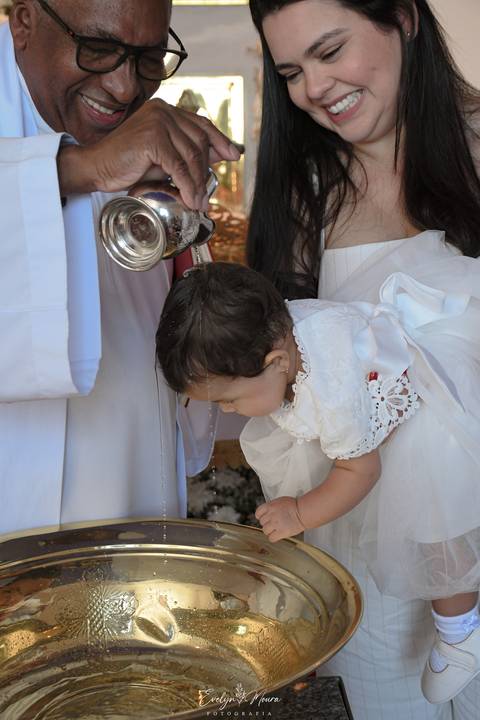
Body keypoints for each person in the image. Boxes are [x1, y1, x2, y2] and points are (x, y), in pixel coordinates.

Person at [245, 0, 480, 718]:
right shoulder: (306, 187)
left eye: (330, 50)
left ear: (403, 18)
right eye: (291, 71)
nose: (314, 87)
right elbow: (282, 370)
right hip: (359, 523)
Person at [156, 258, 480, 706]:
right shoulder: (282, 338)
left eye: (228, 400)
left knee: (435, 524)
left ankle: (461, 632)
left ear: (276, 361)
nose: (226, 412)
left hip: (426, 408)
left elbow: (361, 471)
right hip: (361, 374)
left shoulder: (332, 388)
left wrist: (300, 511)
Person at [0, 0, 240, 536]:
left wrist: (186, 250)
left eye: (149, 57)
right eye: (100, 49)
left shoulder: (137, 125)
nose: (126, 88)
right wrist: (80, 169)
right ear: (23, 22)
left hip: (129, 484)